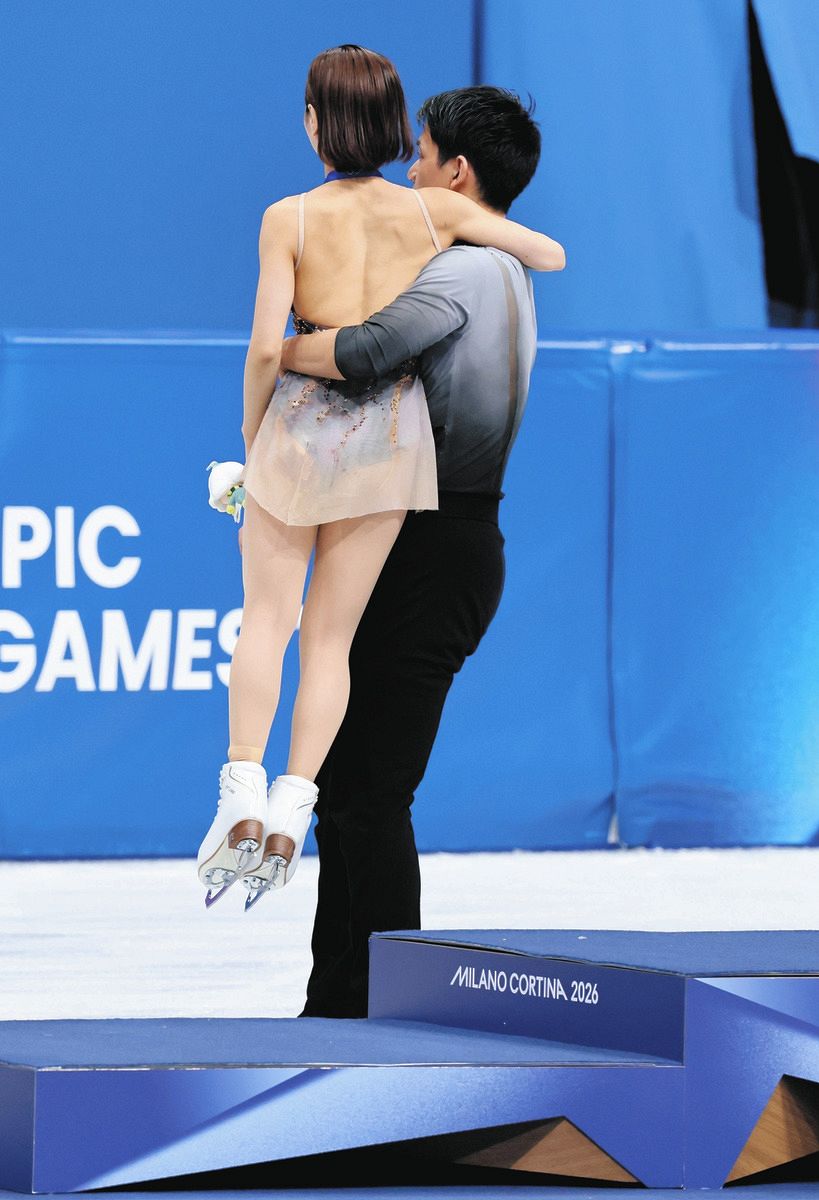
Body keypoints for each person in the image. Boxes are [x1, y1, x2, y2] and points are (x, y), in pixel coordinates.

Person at [196, 50, 565, 908]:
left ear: (315, 122)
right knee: (332, 643)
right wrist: (470, 224)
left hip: (300, 426)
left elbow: (263, 349)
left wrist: (252, 445)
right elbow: (547, 253)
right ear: (397, 127)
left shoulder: (287, 216)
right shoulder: (433, 210)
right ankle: (293, 809)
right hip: (389, 442)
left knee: (268, 621)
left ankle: (242, 793)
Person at [279, 85, 558, 1016]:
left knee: (370, 792)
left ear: (457, 172)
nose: (409, 169)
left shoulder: (467, 271)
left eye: (423, 153)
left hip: (434, 549)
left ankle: (377, 1013)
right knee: (351, 788)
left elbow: (365, 350)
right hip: (442, 543)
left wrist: (279, 349)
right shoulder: (499, 265)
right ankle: (337, 1003)